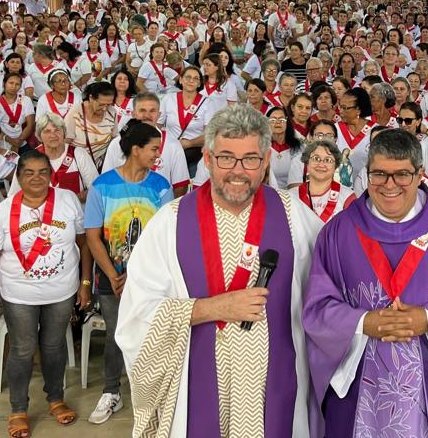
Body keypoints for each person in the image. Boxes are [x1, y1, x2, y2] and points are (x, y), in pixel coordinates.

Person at [115, 104, 322, 438]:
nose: (237, 171)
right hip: (197, 385)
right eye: (226, 158)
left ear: (266, 161)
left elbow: (328, 290)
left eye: (250, 159)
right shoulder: (170, 223)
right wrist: (211, 308)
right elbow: (136, 316)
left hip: (274, 387)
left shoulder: (294, 216)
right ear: (208, 159)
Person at [303, 129, 428, 436]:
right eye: (379, 174)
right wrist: (362, 322)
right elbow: (317, 307)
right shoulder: (338, 232)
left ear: (420, 174)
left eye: (402, 174)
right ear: (366, 174)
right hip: (359, 389)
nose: (389, 185)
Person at [0, 151, 89, 438]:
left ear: (51, 175)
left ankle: (56, 398)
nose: (36, 178)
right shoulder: (1, 212)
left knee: (54, 347)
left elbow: (84, 244)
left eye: (43, 172)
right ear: (18, 177)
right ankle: (18, 409)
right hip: (19, 296)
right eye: (29, 172)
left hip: (61, 292)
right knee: (22, 350)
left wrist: (85, 282)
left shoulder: (67, 200)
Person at [82, 120, 174, 425]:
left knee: (152, 334)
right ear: (136, 149)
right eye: (153, 149)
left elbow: (166, 235)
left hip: (150, 279)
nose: (157, 155)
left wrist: (139, 276)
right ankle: (112, 391)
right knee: (117, 334)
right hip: (111, 279)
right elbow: (93, 237)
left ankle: (153, 394)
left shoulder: (161, 187)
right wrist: (112, 275)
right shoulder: (102, 186)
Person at [294, 138, 357, 223]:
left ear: (336, 166)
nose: (321, 164)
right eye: (316, 158)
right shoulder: (291, 195)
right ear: (307, 163)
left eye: (328, 160)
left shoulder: (347, 197)